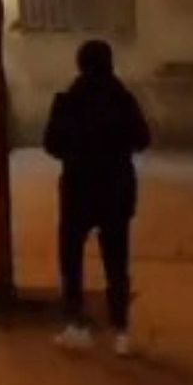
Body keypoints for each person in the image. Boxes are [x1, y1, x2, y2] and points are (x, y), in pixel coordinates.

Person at [45, 39, 151, 355]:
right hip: (116, 189)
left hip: (79, 188)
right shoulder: (123, 99)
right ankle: (120, 331)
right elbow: (143, 138)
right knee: (117, 261)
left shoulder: (68, 100)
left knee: (72, 258)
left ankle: (76, 324)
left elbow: (51, 144)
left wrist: (76, 150)